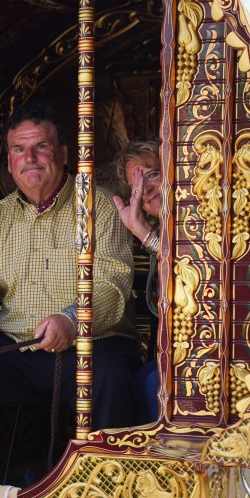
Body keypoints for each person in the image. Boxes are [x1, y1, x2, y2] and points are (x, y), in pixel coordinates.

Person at [0, 101, 138, 494]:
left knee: (110, 376)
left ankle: (111, 484)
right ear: (8, 161)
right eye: (19, 150)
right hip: (18, 348)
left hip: (91, 343)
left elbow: (112, 283)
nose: (30, 158)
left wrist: (72, 320)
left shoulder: (100, 207)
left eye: (41, 146)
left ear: (65, 154)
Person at [112, 136, 161, 423]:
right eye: (137, 186)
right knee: (142, 377)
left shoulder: (199, 219)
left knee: (155, 383)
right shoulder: (163, 231)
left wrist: (143, 232)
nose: (146, 190)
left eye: (152, 174)